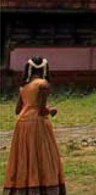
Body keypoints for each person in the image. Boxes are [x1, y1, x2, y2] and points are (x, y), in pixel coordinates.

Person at [4, 57, 65, 195]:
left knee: (24, 157)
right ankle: (42, 187)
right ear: (44, 69)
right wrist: (52, 110)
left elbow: (17, 110)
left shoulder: (23, 86)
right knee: (41, 156)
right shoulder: (43, 84)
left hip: (22, 123)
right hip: (37, 123)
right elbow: (41, 109)